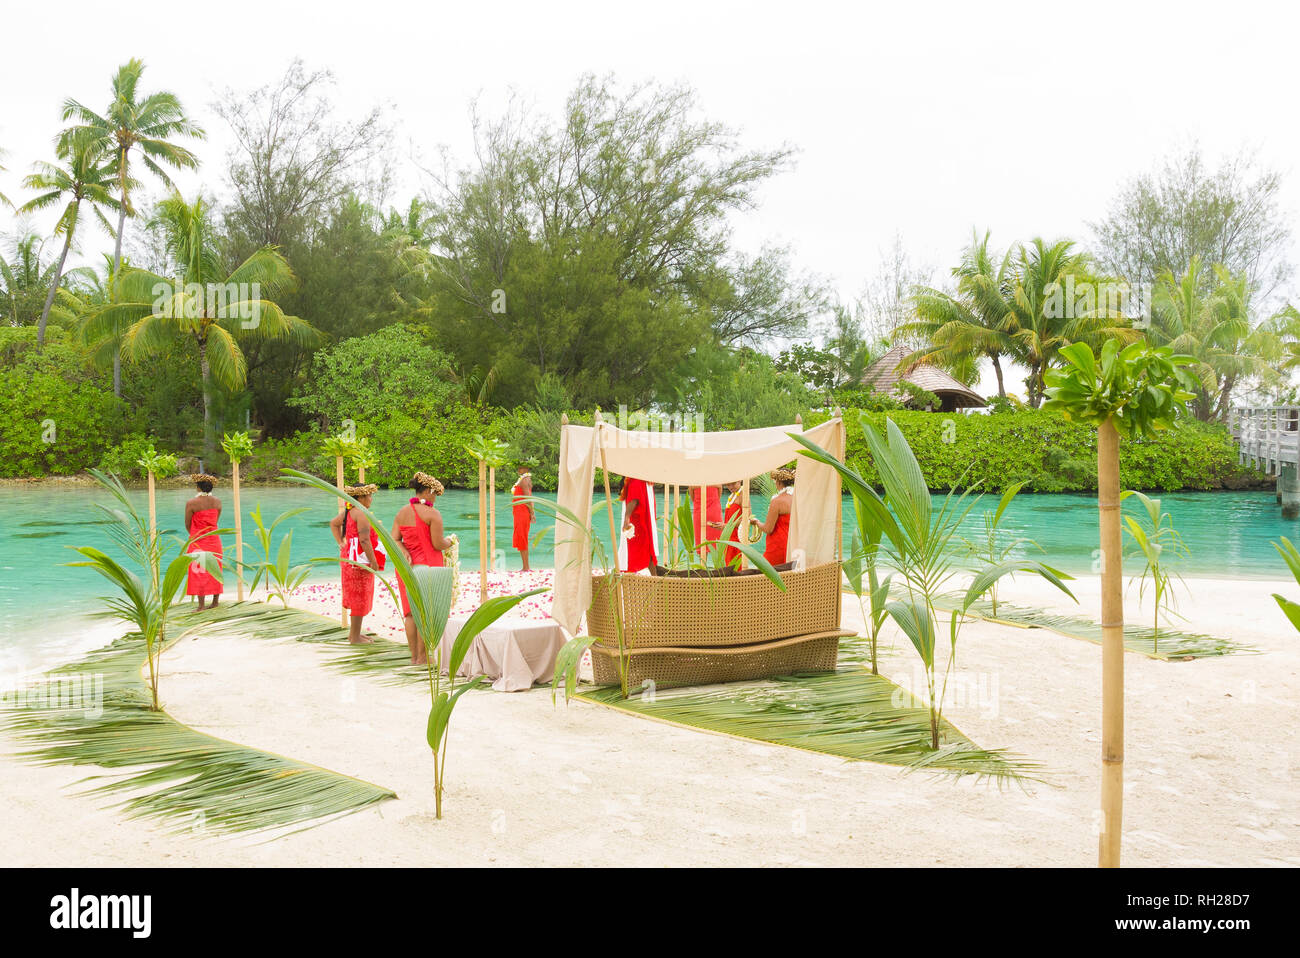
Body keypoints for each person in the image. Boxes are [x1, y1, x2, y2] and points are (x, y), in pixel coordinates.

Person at [391, 472, 455, 666]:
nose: (435, 498)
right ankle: (424, 657)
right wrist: (451, 542)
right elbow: (437, 544)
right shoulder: (433, 514)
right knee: (425, 613)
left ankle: (414, 657)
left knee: (410, 613)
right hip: (427, 567)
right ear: (426, 491)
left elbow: (395, 539)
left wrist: (403, 551)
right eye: (434, 494)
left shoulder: (402, 512)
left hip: (407, 569)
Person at [330, 484, 382, 645]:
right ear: (360, 498)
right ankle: (354, 637)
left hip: (348, 559)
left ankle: (355, 634)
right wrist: (373, 561)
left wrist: (340, 542)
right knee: (359, 597)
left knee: (356, 596)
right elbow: (364, 540)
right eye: (369, 496)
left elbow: (333, 523)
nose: (371, 499)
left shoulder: (349, 512)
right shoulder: (361, 514)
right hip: (359, 561)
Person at [184, 474, 224, 610]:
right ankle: (215, 602)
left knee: (199, 571)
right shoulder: (217, 502)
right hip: (214, 540)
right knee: (215, 570)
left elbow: (187, 524)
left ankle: (201, 605)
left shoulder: (191, 503)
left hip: (198, 542)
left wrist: (195, 534)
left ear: (198, 487)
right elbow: (215, 521)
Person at [618, 475, 657, 573]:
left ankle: (653, 581)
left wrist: (626, 518)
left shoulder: (636, 479)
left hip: (637, 524)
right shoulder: (643, 479)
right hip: (641, 522)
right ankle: (656, 581)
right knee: (646, 553)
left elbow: (634, 499)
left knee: (634, 554)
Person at [760, 467, 795, 565]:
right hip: (793, 543)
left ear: (778, 482)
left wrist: (757, 523)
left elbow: (768, 529)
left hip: (778, 545)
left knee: (770, 574)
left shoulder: (777, 501)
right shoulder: (797, 498)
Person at [708, 480, 746, 569]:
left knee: (737, 567)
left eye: (733, 484)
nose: (731, 487)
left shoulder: (743, 495)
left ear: (739, 480)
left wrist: (726, 526)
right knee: (729, 565)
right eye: (728, 485)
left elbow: (746, 519)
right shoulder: (732, 496)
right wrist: (722, 525)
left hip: (737, 538)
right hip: (729, 536)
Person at [511, 463, 535, 571]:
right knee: (521, 538)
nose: (518, 469)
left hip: (522, 513)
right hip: (519, 513)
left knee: (522, 538)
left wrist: (532, 513)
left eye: (520, 468)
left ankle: (526, 567)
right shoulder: (525, 479)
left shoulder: (525, 480)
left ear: (526, 469)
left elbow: (527, 498)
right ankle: (525, 566)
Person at [691, 485, 723, 558]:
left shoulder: (693, 482)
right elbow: (719, 493)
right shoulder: (715, 480)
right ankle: (717, 566)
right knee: (717, 541)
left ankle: (703, 565)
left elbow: (692, 497)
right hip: (713, 509)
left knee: (701, 540)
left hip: (700, 510)